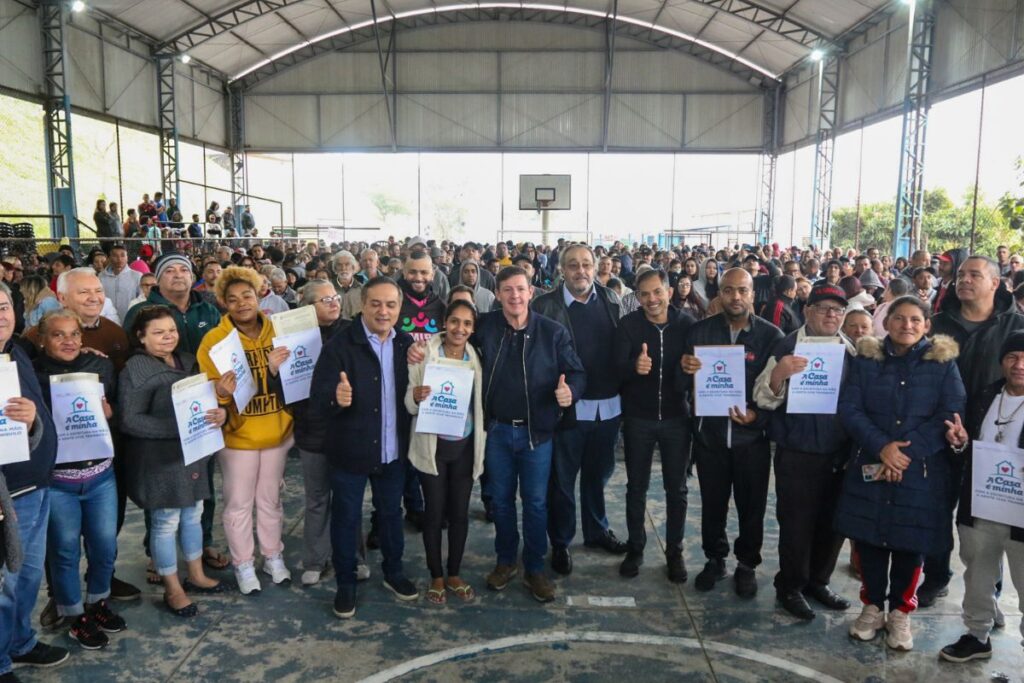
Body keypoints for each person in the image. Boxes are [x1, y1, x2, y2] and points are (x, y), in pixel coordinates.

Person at [837, 296, 965, 651]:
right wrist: (883, 448)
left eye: (915, 320)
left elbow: (951, 411)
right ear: (886, 322)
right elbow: (850, 408)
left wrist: (903, 455)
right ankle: (873, 607)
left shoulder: (943, 364)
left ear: (926, 325)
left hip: (919, 471)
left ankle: (900, 614)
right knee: (871, 539)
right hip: (872, 462)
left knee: (911, 544)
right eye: (899, 318)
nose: (906, 325)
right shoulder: (867, 360)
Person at [310, 277, 418, 619]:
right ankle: (346, 584)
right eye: (376, 304)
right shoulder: (341, 346)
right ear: (362, 305)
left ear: (399, 308)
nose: (383, 311)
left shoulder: (406, 344)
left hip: (392, 451)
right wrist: (335, 397)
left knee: (390, 515)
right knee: (346, 519)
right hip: (350, 451)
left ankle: (394, 572)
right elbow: (317, 398)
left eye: (390, 305)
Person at [924, 255, 1024, 606]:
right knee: (935, 512)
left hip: (993, 442)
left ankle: (990, 595)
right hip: (938, 436)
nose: (964, 280)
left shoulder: (1016, 327)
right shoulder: (936, 323)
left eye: (974, 275)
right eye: (961, 274)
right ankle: (935, 576)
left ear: (996, 282)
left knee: (989, 522)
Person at [753, 284, 855, 621]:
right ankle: (791, 586)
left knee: (833, 522)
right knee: (796, 524)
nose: (831, 315)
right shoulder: (786, 345)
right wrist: (780, 374)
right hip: (797, 450)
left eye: (838, 310)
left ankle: (818, 581)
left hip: (838, 452)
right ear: (808, 310)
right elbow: (763, 397)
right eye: (824, 308)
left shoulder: (850, 351)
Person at [119, 306, 228, 618]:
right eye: (158, 332)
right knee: (166, 523)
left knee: (193, 515)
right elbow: (130, 420)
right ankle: (172, 587)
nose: (168, 337)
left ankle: (195, 575)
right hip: (159, 460)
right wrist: (176, 429)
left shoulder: (188, 361)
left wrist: (219, 413)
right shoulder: (136, 371)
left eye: (172, 330)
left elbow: (203, 402)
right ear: (141, 337)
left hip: (192, 454)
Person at [681, 268, 783, 598]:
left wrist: (758, 416)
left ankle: (746, 564)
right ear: (719, 294)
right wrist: (686, 370)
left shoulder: (771, 337)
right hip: (709, 437)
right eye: (728, 290)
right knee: (712, 504)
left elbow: (780, 391)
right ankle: (715, 559)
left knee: (751, 507)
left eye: (742, 290)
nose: (735, 297)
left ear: (753, 294)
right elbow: (681, 385)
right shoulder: (700, 332)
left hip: (750, 441)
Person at [197, 266, 295, 595]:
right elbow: (206, 392)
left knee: (270, 500)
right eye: (233, 299)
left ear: (259, 296)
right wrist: (221, 393)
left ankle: (272, 555)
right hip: (238, 437)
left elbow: (300, 376)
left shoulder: (280, 332)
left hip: (277, 432)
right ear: (223, 302)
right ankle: (242, 563)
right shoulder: (214, 340)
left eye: (248, 296)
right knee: (239, 503)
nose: (242, 303)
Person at [32, 310, 125, 648]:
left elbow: (111, 407)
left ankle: (98, 602)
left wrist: (110, 412)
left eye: (74, 334)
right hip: (59, 481)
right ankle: (74, 615)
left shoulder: (100, 366)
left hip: (101, 476)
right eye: (58, 335)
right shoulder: (33, 372)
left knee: (105, 546)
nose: (68, 340)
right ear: (42, 340)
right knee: (65, 551)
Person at [532, 245, 626, 575]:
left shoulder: (612, 301)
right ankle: (560, 541)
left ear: (596, 267)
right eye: (573, 265)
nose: (581, 271)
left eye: (587, 264)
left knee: (598, 476)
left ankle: (597, 531)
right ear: (561, 269)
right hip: (567, 408)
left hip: (609, 407)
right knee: (562, 480)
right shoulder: (544, 305)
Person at [939, 331, 1024, 663]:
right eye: (1013, 357)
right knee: (977, 573)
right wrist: (960, 442)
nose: (1019, 365)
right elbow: (966, 452)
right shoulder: (985, 397)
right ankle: (977, 635)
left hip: (1022, 513)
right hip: (982, 504)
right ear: (1002, 361)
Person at [0, 283, 69, 678]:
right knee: (6, 584)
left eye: (4, 306)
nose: (1, 316)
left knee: (26, 576)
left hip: (37, 483)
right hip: (8, 494)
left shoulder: (16, 353)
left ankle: (20, 641)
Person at [613, 269, 695, 582]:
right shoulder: (628, 325)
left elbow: (698, 366)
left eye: (657, 292)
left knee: (677, 489)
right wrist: (635, 367)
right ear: (637, 297)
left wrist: (690, 369)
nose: (652, 299)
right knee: (637, 487)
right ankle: (635, 547)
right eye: (644, 294)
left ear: (669, 292)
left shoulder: (687, 324)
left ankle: (674, 551)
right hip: (638, 419)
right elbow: (617, 370)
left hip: (677, 418)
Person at [405, 300, 486, 605]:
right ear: (445, 322)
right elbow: (408, 402)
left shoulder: (476, 357)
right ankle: (436, 575)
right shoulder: (424, 354)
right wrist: (414, 397)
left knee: (459, 514)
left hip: (464, 446)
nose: (459, 328)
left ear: (473, 329)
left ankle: (454, 573)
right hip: (433, 446)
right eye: (454, 321)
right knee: (434, 514)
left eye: (467, 324)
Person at [290, 281, 362, 587]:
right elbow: (288, 391)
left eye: (335, 297)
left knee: (349, 499)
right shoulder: (294, 338)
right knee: (317, 498)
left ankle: (354, 558)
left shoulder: (353, 332)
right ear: (307, 307)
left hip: (348, 428)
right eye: (324, 300)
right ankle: (315, 560)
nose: (333, 303)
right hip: (312, 431)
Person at [98, 245, 142, 323]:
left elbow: (141, 298)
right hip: (107, 320)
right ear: (109, 258)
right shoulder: (101, 277)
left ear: (127, 257)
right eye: (115, 255)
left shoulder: (137, 276)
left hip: (131, 320)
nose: (119, 259)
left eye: (122, 255)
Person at [328, 251, 363, 320]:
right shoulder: (328, 288)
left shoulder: (362, 289)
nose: (343, 268)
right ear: (335, 268)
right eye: (339, 265)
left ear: (353, 267)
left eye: (347, 264)